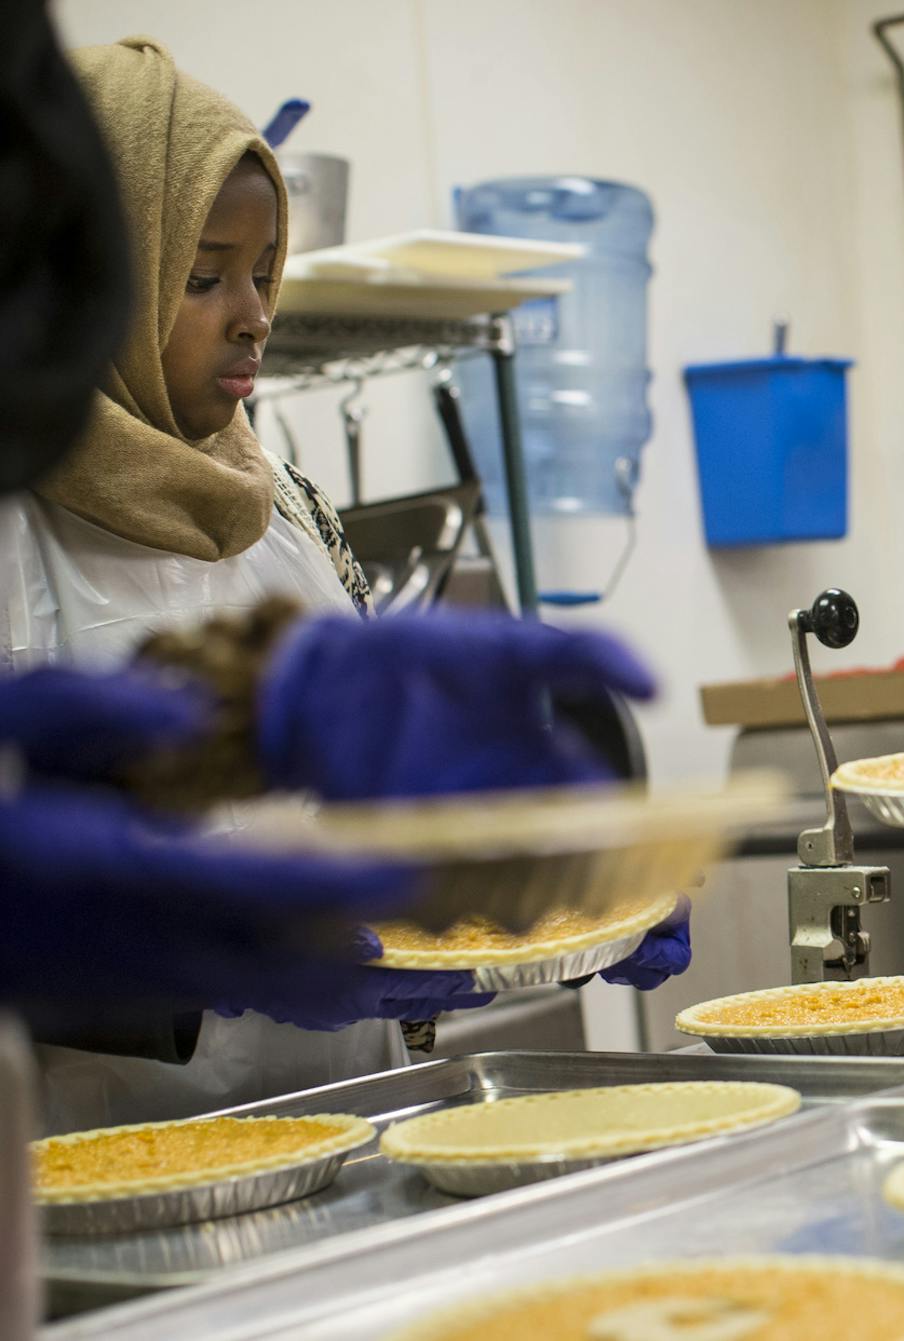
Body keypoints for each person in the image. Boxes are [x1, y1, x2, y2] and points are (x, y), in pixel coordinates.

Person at [0, 35, 687, 1130]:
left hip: (347, 1134)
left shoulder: (289, 508)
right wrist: (211, 956)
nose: (254, 313)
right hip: (101, 1173)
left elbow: (361, 808)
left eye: (264, 272)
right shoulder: (17, 518)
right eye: (202, 275)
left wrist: (533, 882)